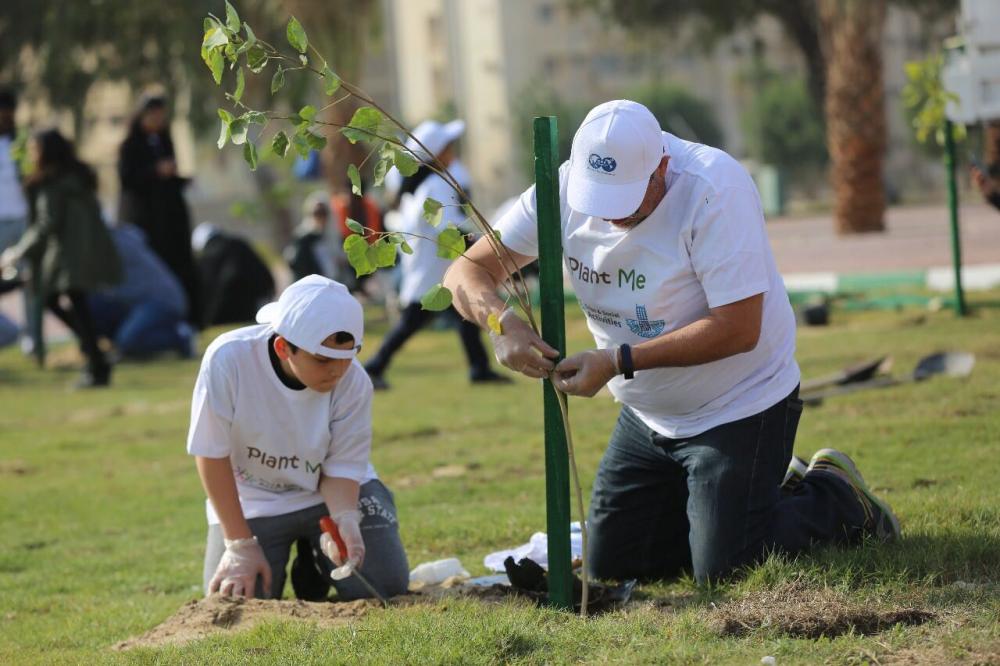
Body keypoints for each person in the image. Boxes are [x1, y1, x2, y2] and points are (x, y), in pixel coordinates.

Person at [443, 99, 900, 584]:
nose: (612, 219)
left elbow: (739, 326)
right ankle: (747, 500)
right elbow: (466, 270)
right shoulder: (561, 190)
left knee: (726, 572)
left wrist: (618, 361)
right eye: (599, 202)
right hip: (648, 417)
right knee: (616, 566)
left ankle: (835, 499)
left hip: (739, 404)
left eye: (626, 202)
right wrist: (502, 324)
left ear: (662, 167)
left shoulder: (713, 189)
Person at [187, 275, 409, 601]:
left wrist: (345, 518)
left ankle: (315, 558)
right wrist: (239, 545)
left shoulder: (355, 382)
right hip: (255, 500)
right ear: (282, 347)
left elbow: (342, 466)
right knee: (236, 598)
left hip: (325, 492)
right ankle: (288, 551)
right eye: (322, 360)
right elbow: (210, 453)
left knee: (383, 585)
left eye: (346, 358)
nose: (336, 371)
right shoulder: (228, 359)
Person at [363, 119, 508, 390]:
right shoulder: (437, 186)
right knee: (412, 322)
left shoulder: (425, 186)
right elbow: (449, 229)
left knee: (464, 317)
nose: (453, 153)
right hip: (433, 272)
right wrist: (485, 250)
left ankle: (479, 368)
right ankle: (373, 366)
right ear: (437, 153)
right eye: (449, 147)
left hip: (433, 268)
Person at [0, 129, 121, 387]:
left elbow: (46, 224)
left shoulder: (52, 183)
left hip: (68, 255)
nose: (32, 155)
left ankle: (96, 359)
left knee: (61, 301)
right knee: (74, 304)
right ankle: (96, 354)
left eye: (35, 149)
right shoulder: (78, 177)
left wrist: (17, 252)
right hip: (85, 251)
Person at [117, 93, 201, 326]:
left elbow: (169, 178)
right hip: (147, 219)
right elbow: (128, 180)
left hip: (170, 219)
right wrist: (155, 171)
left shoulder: (165, 141)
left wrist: (180, 179)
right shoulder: (130, 146)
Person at [89, 222, 195, 359]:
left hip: (161, 301)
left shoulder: (111, 242)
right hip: (137, 303)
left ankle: (180, 336)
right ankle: (105, 346)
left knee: (129, 342)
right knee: (92, 305)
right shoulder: (117, 236)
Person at [192, 223, 275, 327]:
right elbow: (265, 277)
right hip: (251, 314)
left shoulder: (205, 260)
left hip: (220, 321)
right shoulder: (239, 245)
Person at [284, 191, 343, 283]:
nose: (320, 218)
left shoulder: (335, 236)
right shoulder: (303, 239)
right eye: (316, 213)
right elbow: (297, 266)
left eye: (323, 213)